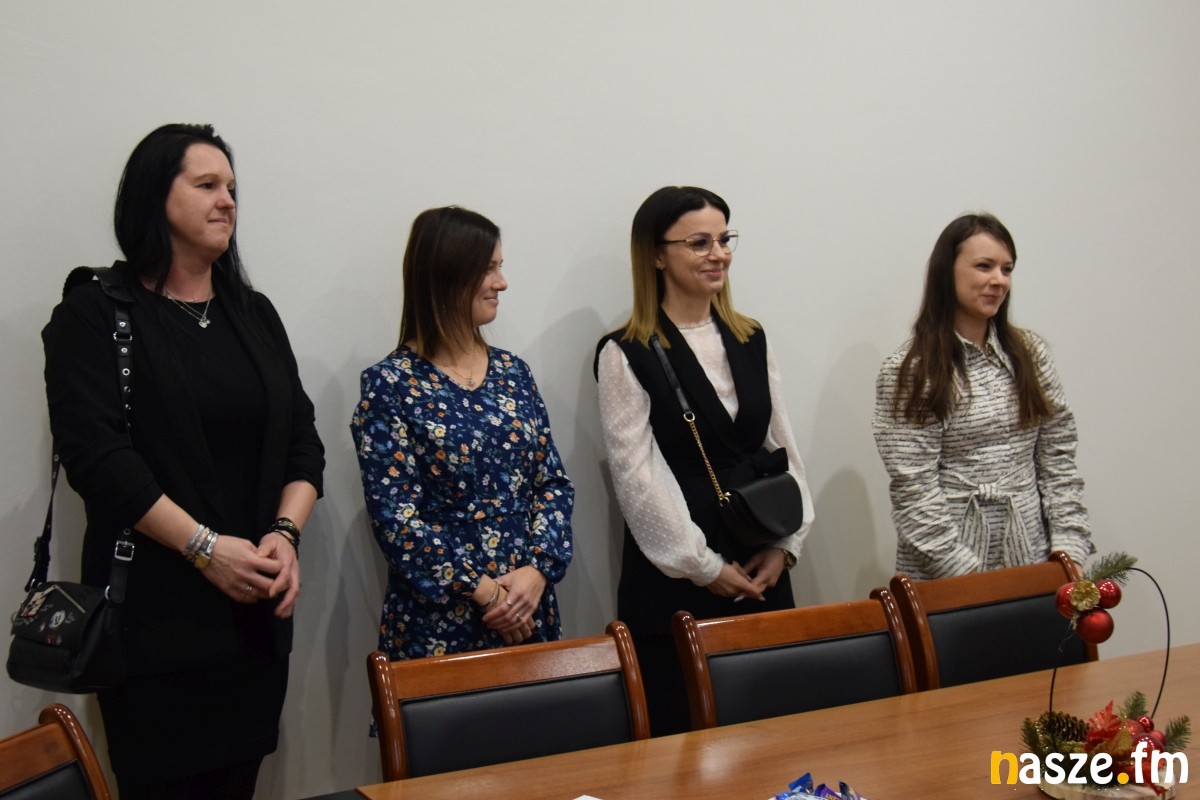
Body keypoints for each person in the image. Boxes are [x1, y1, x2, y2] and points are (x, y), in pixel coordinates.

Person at [41, 124, 324, 799]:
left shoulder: (253, 313)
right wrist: (204, 548)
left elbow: (303, 442)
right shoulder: (94, 313)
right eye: (207, 185)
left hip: (255, 620)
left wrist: (286, 535)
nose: (228, 201)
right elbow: (98, 461)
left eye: (232, 188)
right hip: (152, 625)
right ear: (153, 195)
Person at [594, 186, 814, 736]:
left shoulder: (750, 337)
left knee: (772, 729)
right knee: (686, 737)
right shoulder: (626, 352)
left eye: (724, 239)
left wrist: (785, 546)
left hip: (760, 554)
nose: (719, 254)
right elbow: (636, 477)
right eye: (699, 242)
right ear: (656, 255)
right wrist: (704, 565)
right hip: (676, 573)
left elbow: (782, 446)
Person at [350, 206, 573, 662]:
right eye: (488, 268)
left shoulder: (514, 372)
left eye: (500, 267)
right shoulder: (390, 385)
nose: (501, 283)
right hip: (441, 618)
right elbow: (395, 518)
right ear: (447, 274)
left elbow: (552, 482)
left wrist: (536, 572)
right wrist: (485, 592)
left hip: (528, 606)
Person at [872, 212, 1094, 581]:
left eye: (1007, 269)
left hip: (1033, 557)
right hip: (945, 569)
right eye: (984, 266)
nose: (999, 280)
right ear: (947, 271)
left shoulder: (1030, 353)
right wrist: (969, 580)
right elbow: (914, 490)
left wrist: (1068, 551)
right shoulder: (913, 369)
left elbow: (1058, 458)